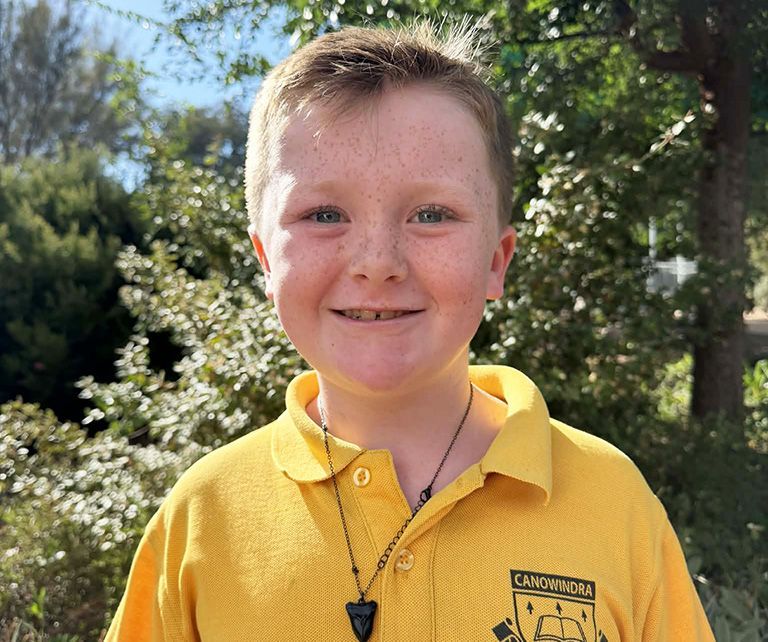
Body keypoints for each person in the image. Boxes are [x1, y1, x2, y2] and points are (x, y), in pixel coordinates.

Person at [105, 19, 715, 642]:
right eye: (324, 214)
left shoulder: (613, 504)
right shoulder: (201, 519)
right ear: (265, 260)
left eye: (431, 214)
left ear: (496, 261)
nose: (377, 263)